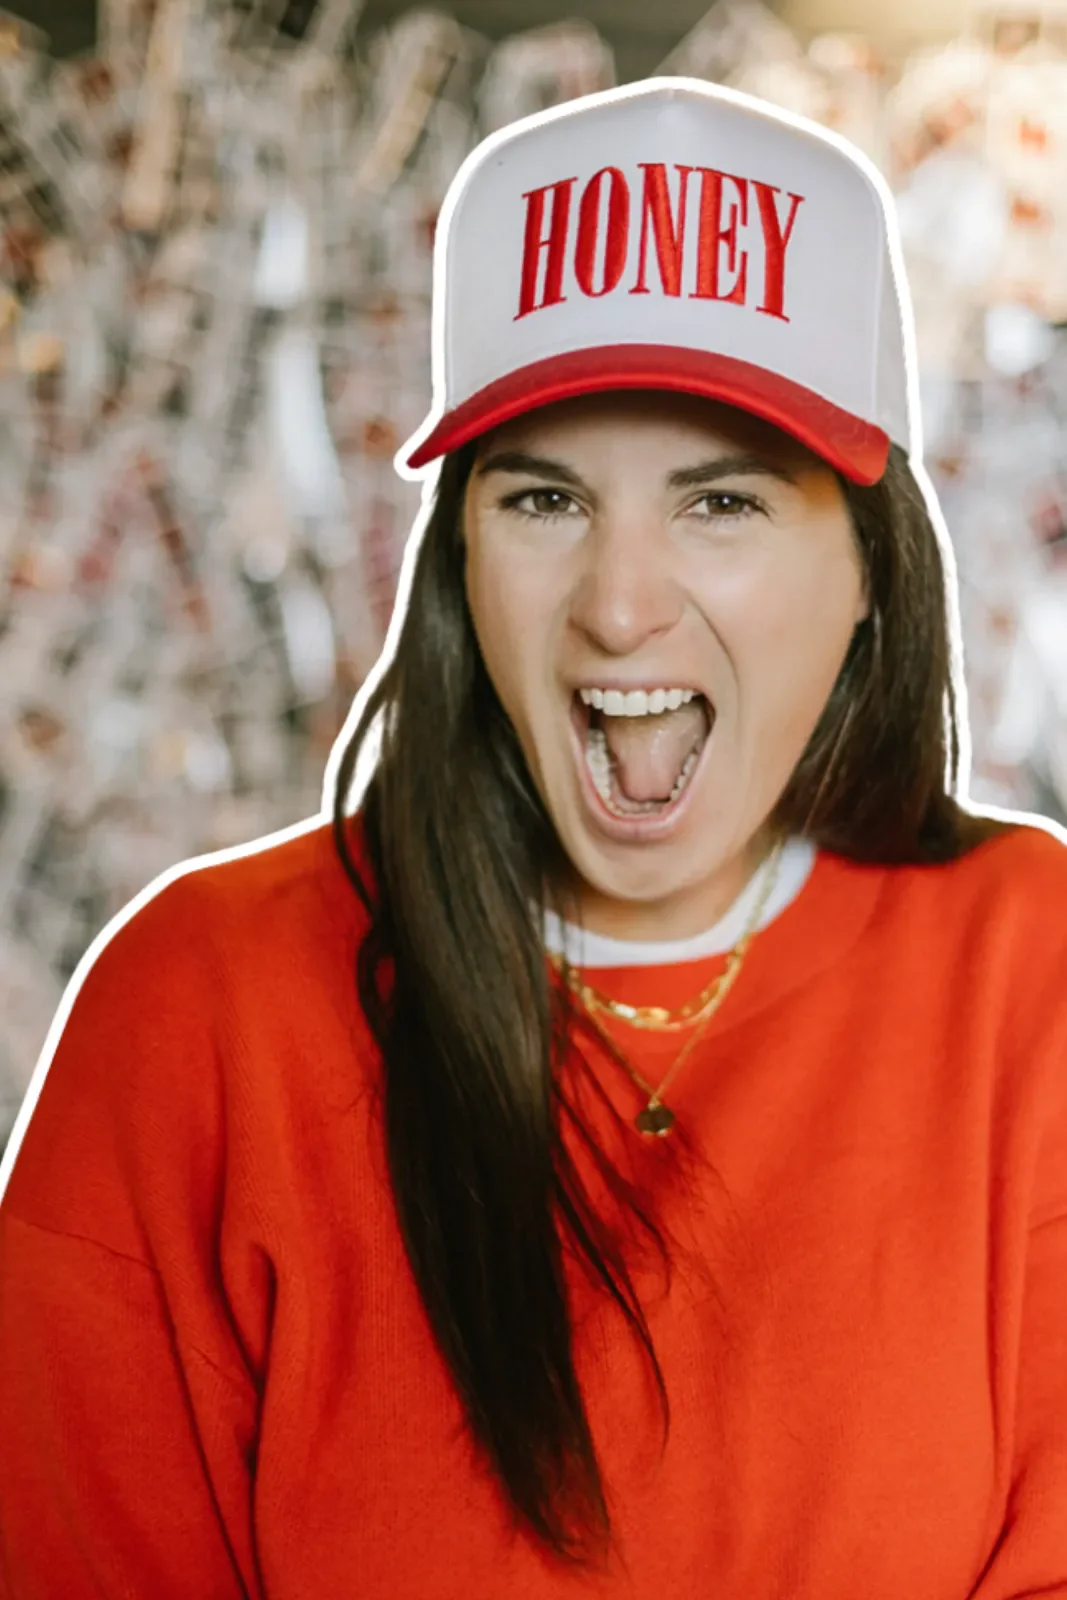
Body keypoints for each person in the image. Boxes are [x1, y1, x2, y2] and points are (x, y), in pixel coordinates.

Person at [0, 76, 1064, 1600]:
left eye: (722, 503)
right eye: (546, 496)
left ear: (870, 573)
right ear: (457, 559)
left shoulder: (1033, 979)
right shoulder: (193, 1016)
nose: (618, 604)